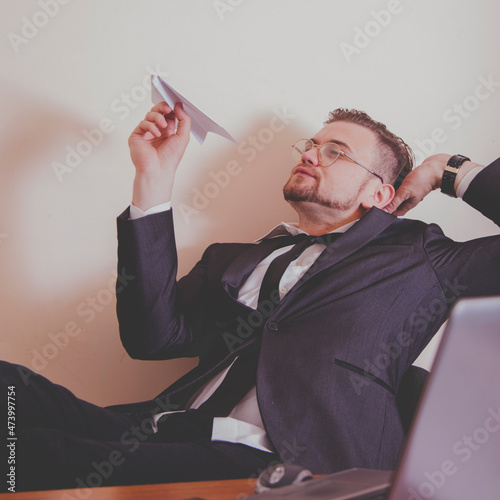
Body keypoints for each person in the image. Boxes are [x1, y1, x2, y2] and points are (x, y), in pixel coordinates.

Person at [2, 102, 499, 493]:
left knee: (30, 455)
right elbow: (150, 338)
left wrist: (447, 170)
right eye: (311, 145)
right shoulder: (230, 258)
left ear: (380, 196)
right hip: (156, 430)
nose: (309, 154)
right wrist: (154, 178)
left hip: (285, 464)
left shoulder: (419, 256)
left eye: (335, 152)